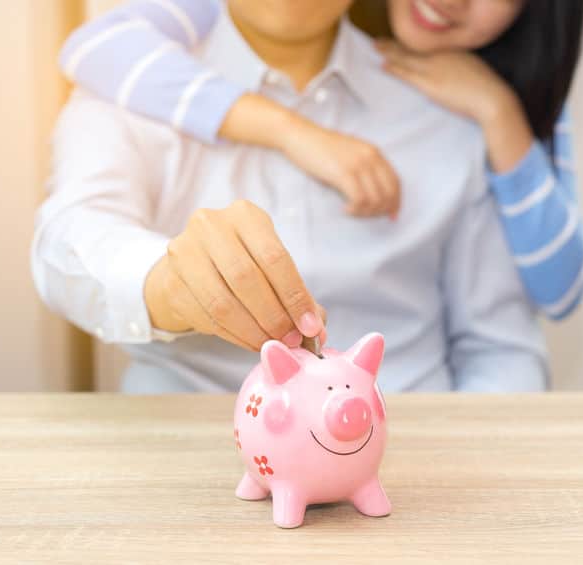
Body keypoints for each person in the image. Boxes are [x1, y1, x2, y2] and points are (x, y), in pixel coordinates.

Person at [33, 0, 547, 393]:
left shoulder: (448, 106)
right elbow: (67, 242)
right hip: (184, 457)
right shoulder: (133, 81)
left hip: (410, 467)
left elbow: (502, 351)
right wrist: (168, 283)